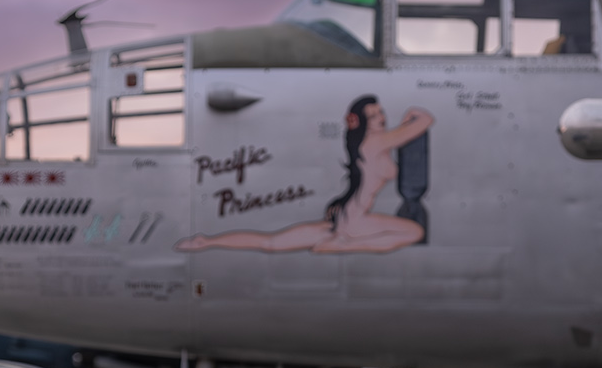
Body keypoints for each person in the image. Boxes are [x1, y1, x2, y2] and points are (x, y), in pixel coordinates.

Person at [176, 96, 433, 254]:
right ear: (362, 122)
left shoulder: (368, 143)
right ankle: (344, 245)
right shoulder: (377, 143)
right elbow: (425, 120)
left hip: (342, 220)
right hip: (355, 224)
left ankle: (206, 242)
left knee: (271, 243)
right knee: (414, 232)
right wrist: (411, 113)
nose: (381, 118)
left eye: (380, 112)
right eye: (373, 115)